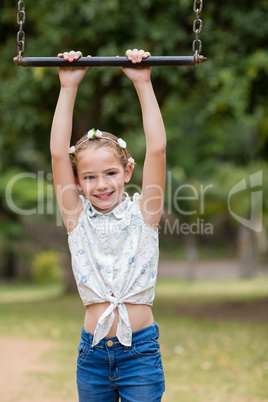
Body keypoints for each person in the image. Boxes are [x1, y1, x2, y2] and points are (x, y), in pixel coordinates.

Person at [50, 48, 166, 402]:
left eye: (111, 173)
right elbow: (58, 154)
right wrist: (68, 87)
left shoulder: (144, 214)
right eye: (89, 177)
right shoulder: (77, 218)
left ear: (127, 172)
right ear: (78, 181)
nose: (101, 184)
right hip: (93, 356)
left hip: (140, 356)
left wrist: (143, 83)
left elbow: (157, 150)